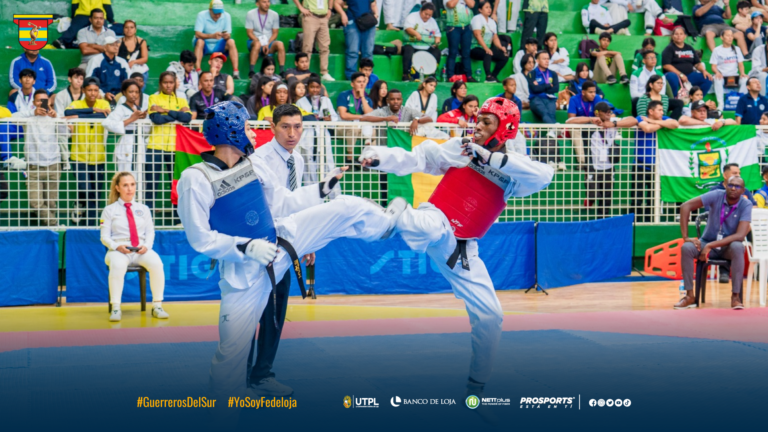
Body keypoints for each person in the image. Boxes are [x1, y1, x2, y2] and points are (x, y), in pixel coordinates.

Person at [177, 101, 402, 416]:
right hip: (243, 275)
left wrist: (321, 189)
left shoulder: (254, 164)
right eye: (244, 127)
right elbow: (200, 238)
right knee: (230, 358)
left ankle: (390, 226)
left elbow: (284, 202)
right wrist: (244, 248)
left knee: (345, 207)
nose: (250, 133)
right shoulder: (196, 178)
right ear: (229, 131)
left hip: (281, 242)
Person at [358, 97, 553, 406]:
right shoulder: (460, 148)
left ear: (505, 130)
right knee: (432, 226)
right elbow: (418, 158)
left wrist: (490, 158)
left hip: (462, 248)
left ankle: (476, 387)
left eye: (487, 122)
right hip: (437, 218)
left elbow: (545, 176)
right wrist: (378, 156)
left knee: (491, 316)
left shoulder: (515, 171)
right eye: (478, 118)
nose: (477, 125)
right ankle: (396, 217)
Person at [676, 176, 751, 310]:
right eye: (730, 185)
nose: (733, 188)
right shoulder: (716, 195)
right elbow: (685, 206)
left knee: (738, 246)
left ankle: (735, 297)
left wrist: (711, 246)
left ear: (743, 190)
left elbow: (740, 235)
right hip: (706, 242)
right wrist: (686, 237)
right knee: (686, 247)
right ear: (725, 186)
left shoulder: (746, 204)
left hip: (728, 247)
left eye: (737, 186)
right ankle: (689, 296)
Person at [101, 172, 168, 322]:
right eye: (125, 185)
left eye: (132, 184)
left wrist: (146, 246)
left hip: (140, 249)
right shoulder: (109, 210)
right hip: (118, 250)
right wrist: (117, 246)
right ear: (118, 188)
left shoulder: (143, 209)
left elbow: (150, 232)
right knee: (117, 266)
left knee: (157, 263)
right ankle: (116, 308)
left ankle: (157, 306)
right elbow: (104, 237)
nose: (129, 188)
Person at [566, 101, 638, 216]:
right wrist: (590, 120)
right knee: (593, 194)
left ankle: (603, 219)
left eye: (610, 111)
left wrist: (614, 125)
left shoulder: (613, 123)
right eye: (606, 111)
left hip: (609, 167)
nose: (609, 113)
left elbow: (634, 120)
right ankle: (590, 200)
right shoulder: (589, 126)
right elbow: (568, 121)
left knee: (606, 198)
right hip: (593, 167)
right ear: (597, 113)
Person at [64, 77, 111, 226]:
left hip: (98, 157)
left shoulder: (104, 103)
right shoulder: (75, 103)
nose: (92, 93)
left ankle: (90, 224)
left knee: (96, 194)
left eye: (95, 90)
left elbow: (106, 115)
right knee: (86, 189)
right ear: (83, 90)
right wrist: (92, 110)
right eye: (89, 90)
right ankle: (86, 216)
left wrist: (81, 114)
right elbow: (67, 112)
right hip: (78, 156)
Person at [16, 89, 66, 227]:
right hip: (33, 166)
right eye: (39, 100)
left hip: (53, 164)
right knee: (36, 203)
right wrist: (33, 112)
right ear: (34, 102)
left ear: (49, 101)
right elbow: (13, 116)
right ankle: (55, 225)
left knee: (51, 203)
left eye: (44, 100)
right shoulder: (28, 117)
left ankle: (51, 235)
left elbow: (66, 133)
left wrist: (56, 118)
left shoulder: (54, 116)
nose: (41, 103)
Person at [146, 72, 192, 222]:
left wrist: (165, 110)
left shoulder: (181, 99)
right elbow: (156, 119)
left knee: (176, 184)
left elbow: (187, 118)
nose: (168, 85)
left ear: (175, 83)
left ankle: (177, 218)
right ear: (160, 83)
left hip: (175, 147)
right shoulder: (153, 98)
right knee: (152, 183)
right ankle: (148, 218)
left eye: (171, 82)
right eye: (165, 82)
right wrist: (177, 114)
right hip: (155, 146)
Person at [634, 100, 679, 222]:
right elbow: (647, 129)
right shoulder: (641, 118)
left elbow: (675, 124)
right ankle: (635, 222)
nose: (662, 112)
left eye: (662, 110)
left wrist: (654, 121)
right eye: (659, 110)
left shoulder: (662, 118)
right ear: (651, 111)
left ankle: (650, 221)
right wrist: (662, 124)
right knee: (636, 197)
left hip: (657, 166)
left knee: (653, 198)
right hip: (640, 164)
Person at [103, 80, 149, 173]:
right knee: (125, 175)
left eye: (136, 92)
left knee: (139, 178)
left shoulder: (138, 109)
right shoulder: (120, 108)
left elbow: (146, 130)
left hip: (139, 143)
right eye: (131, 92)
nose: (134, 95)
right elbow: (107, 123)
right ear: (124, 92)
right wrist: (131, 119)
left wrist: (144, 119)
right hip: (126, 144)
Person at [194, 0, 240, 79]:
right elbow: (197, 34)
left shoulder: (226, 16)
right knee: (199, 41)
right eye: (215, 13)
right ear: (210, 10)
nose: (218, 15)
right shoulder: (201, 15)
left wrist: (226, 36)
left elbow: (228, 34)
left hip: (219, 44)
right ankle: (198, 70)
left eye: (219, 13)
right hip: (205, 43)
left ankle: (235, 71)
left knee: (231, 41)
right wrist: (212, 36)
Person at [663, 26, 714, 97]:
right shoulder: (669, 48)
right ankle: (674, 100)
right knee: (671, 77)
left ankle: (696, 100)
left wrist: (704, 71)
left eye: (681, 34)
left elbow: (697, 63)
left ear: (685, 36)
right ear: (673, 36)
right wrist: (680, 74)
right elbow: (666, 65)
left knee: (707, 78)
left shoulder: (689, 48)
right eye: (676, 34)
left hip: (690, 75)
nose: (679, 36)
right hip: (675, 75)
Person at [361, 89, 434, 135]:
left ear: (401, 100)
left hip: (402, 147)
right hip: (384, 147)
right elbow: (363, 118)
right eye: (392, 99)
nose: (396, 102)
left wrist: (417, 119)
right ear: (387, 101)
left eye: (398, 99)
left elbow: (429, 118)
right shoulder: (383, 111)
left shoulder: (407, 110)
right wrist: (385, 118)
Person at [293, 0, 335, 81]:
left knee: (325, 47)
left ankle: (324, 72)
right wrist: (301, 8)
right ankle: (304, 72)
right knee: (307, 47)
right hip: (310, 16)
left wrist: (330, 9)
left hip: (323, 17)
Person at [337, 72, 374, 164]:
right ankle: (349, 159)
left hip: (360, 128)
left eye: (363, 82)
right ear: (352, 84)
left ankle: (366, 158)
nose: (362, 84)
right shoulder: (344, 95)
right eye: (359, 82)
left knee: (374, 133)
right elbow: (343, 115)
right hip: (343, 127)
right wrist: (362, 117)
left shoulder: (367, 99)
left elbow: (369, 114)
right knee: (353, 129)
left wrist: (362, 96)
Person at [336, 0, 377, 80]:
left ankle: (367, 77)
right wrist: (343, 14)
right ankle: (352, 78)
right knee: (352, 51)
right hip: (352, 21)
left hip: (368, 21)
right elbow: (337, 3)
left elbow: (373, 4)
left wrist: (376, 14)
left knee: (368, 52)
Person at [469, 1, 509, 83]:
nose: (489, 9)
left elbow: (495, 37)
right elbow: (477, 35)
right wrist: (486, 48)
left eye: (490, 7)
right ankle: (488, 76)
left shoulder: (492, 22)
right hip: (475, 48)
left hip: (486, 48)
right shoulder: (477, 18)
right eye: (486, 7)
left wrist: (501, 47)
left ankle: (494, 76)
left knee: (504, 56)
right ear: (480, 9)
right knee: (488, 53)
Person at [401, 3, 442, 81]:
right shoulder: (412, 16)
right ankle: (405, 74)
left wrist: (436, 42)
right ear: (421, 11)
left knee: (437, 52)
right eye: (425, 14)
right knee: (408, 50)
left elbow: (437, 35)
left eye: (430, 15)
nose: (427, 16)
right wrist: (416, 33)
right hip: (412, 44)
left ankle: (432, 74)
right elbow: (408, 28)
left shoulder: (433, 21)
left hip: (427, 46)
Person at [711, 29, 749, 110]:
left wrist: (742, 73)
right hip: (722, 76)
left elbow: (740, 64)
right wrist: (717, 72)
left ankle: (739, 103)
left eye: (731, 36)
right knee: (717, 79)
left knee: (745, 80)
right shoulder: (717, 50)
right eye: (728, 35)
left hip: (734, 76)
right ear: (722, 37)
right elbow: (713, 66)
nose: (730, 38)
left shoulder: (737, 49)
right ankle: (721, 104)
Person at [246, 0, 286, 79]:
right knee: (257, 44)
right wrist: (260, 42)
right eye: (264, 2)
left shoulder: (274, 14)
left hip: (269, 42)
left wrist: (267, 43)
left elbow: (275, 33)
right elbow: (249, 33)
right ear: (257, 3)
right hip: (254, 41)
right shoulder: (250, 14)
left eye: (268, 2)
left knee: (280, 44)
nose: (267, 4)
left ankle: (282, 72)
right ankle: (251, 71)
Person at [86, 36, 129, 103]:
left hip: (119, 95)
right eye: (112, 45)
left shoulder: (122, 62)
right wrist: (103, 94)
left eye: (116, 45)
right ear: (105, 48)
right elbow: (90, 80)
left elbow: (128, 80)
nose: (115, 47)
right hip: (101, 94)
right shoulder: (96, 60)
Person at [444, 0, 475, 81]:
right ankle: (450, 75)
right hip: (453, 27)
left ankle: (468, 76)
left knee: (466, 53)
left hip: (466, 27)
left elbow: (472, 4)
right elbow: (450, 4)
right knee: (453, 52)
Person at [527, 51, 558, 125]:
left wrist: (540, 86)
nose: (547, 61)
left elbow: (555, 89)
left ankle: (553, 132)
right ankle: (556, 128)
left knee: (551, 115)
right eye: (544, 59)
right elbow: (534, 89)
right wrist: (548, 85)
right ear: (537, 61)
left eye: (548, 59)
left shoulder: (553, 73)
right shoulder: (532, 74)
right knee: (545, 113)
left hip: (550, 99)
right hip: (536, 99)